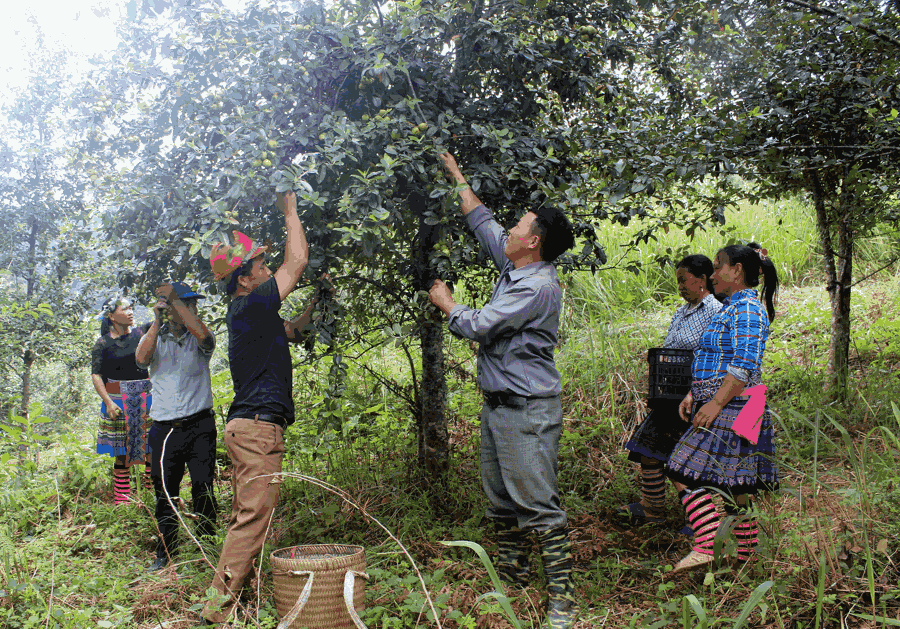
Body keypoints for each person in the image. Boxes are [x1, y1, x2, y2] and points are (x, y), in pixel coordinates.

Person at [429, 153, 577, 629]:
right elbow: (484, 224)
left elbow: (478, 325)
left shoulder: (535, 288)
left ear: (532, 242)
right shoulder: (518, 267)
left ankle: (562, 599)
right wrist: (456, 174)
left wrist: (447, 303)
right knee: (500, 501)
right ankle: (513, 578)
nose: (509, 229)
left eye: (519, 226)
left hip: (526, 411)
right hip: (501, 408)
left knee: (536, 502)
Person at [202, 190, 329, 625]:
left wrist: (319, 302)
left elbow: (293, 330)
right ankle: (214, 613)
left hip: (250, 428)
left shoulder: (254, 312)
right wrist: (291, 211)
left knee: (246, 516)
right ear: (243, 278)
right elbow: (296, 263)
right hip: (257, 429)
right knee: (252, 520)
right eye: (260, 265)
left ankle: (237, 604)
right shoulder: (250, 304)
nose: (267, 269)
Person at [666, 243, 780, 573]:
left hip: (738, 404)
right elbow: (716, 359)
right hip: (736, 402)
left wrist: (714, 404)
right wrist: (693, 394)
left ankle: (707, 541)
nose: (713, 274)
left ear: (737, 271)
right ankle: (745, 559)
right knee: (737, 484)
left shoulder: (747, 309)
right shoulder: (732, 308)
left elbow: (744, 365)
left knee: (678, 467)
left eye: (719, 267)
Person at [620, 255, 723, 530]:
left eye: (683, 280)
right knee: (647, 448)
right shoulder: (681, 313)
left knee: (684, 461)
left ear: (701, 280)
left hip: (697, 395)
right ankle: (653, 507)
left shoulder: (716, 311)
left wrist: (699, 391)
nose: (679, 286)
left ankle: (703, 523)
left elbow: (714, 356)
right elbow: (671, 349)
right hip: (670, 395)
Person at [135, 281, 217, 572]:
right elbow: (141, 359)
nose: (187, 309)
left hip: (200, 424)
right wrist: (158, 321)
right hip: (165, 428)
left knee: (202, 487)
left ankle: (207, 546)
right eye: (181, 304)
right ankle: (165, 552)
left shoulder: (200, 336)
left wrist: (176, 304)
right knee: (164, 492)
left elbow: (205, 337)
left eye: (189, 305)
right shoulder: (153, 335)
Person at [91, 297, 152, 505]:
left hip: (146, 397)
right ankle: (122, 499)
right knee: (120, 451)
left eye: (130, 308)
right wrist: (108, 402)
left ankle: (151, 493)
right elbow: (96, 375)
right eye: (124, 308)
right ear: (111, 316)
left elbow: (163, 324)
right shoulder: (103, 344)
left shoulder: (143, 333)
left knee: (151, 447)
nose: (130, 311)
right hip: (116, 400)